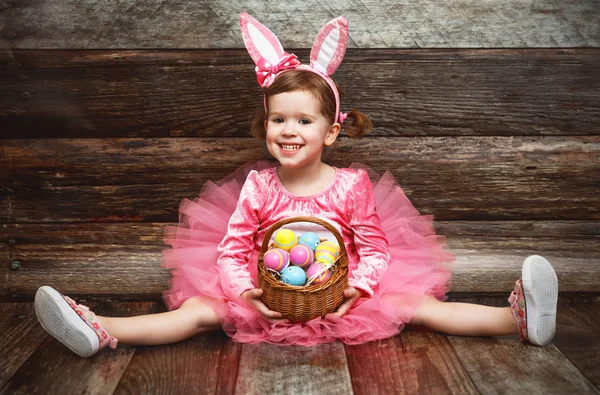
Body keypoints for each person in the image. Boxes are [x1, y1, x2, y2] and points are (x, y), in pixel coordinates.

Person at [34, 13, 558, 358]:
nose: (289, 131)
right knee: (196, 313)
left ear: (331, 131)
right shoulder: (260, 186)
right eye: (278, 120)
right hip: (270, 289)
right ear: (265, 126)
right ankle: (101, 327)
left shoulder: (351, 185)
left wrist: (361, 287)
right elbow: (233, 248)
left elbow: (374, 248)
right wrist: (246, 292)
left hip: (344, 294)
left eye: (304, 121)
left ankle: (515, 320)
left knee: (420, 308)